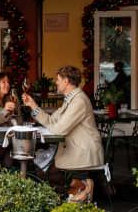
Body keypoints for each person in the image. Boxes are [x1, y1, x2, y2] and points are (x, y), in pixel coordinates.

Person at [22, 66, 104, 203]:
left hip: (83, 151)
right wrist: (33, 105)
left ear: (66, 81)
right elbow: (51, 120)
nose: (56, 82)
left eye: (58, 79)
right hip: (72, 148)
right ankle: (74, 192)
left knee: (45, 171)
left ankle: (80, 187)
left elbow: (59, 130)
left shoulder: (79, 101)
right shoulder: (70, 99)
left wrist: (54, 126)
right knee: (41, 168)